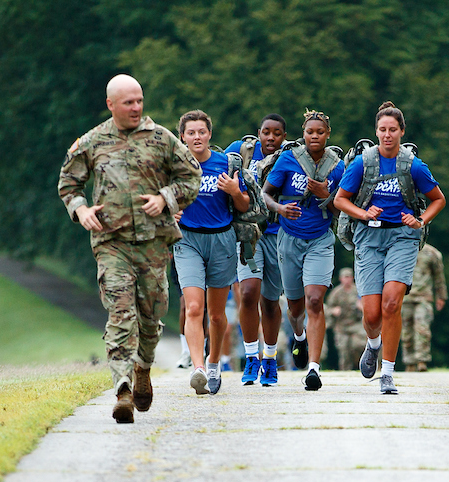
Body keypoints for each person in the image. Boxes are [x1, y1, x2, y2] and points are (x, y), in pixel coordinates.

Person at [58, 74, 201, 423]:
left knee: (152, 318)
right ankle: (121, 387)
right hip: (112, 243)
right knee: (121, 313)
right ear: (111, 104)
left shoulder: (162, 139)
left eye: (139, 101)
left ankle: (142, 369)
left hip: (154, 244)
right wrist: (80, 209)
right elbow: (69, 182)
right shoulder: (92, 141)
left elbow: (191, 176)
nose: (136, 107)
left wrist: (165, 198)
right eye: (128, 102)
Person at [334, 101, 446, 395]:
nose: (387, 134)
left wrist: (419, 220)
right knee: (371, 315)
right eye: (382, 129)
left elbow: (438, 199)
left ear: (401, 131)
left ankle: (388, 373)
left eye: (392, 130)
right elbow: (340, 200)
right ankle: (373, 345)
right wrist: (363, 213)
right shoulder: (362, 162)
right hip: (369, 238)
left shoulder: (412, 165)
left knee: (392, 304)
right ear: (376, 131)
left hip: (402, 237)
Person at [263, 109, 345, 391]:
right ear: (303, 133)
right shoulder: (288, 159)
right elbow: (265, 194)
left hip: (320, 239)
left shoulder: (337, 166)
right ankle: (298, 336)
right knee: (296, 306)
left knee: (314, 300)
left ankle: (313, 368)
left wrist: (327, 196)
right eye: (310, 132)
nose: (314, 136)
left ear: (327, 135)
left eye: (320, 132)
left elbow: (341, 208)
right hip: (289, 238)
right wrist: (280, 208)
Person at [174, 110, 249, 396]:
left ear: (209, 135)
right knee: (194, 308)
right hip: (188, 240)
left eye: (201, 132)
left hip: (221, 240)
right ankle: (198, 369)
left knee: (217, 315)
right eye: (191, 132)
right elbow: (160, 198)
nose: (196, 137)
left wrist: (233, 190)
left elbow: (243, 206)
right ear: (182, 136)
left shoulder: (225, 163)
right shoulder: (175, 166)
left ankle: (214, 362)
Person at [226, 115, 288, 387]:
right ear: (258, 134)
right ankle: (251, 356)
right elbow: (215, 169)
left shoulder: (291, 156)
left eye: (277, 133)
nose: (271, 138)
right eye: (266, 133)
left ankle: (270, 358)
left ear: (284, 136)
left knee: (270, 300)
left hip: (278, 235)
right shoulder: (240, 152)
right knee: (249, 293)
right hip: (249, 234)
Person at [401, 242, 447, 371]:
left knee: (422, 328)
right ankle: (409, 362)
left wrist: (441, 296)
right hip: (404, 297)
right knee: (406, 331)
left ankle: (422, 360)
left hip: (423, 297)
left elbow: (439, 276)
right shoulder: (401, 249)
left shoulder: (431, 253)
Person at [325, 268, 367, 371]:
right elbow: (326, 308)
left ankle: (360, 365)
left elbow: (368, 306)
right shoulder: (336, 293)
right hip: (341, 326)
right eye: (345, 277)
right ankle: (345, 372)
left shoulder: (357, 291)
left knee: (359, 344)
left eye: (349, 277)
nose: (347, 279)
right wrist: (333, 311)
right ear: (340, 279)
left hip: (355, 324)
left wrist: (361, 307)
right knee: (344, 351)